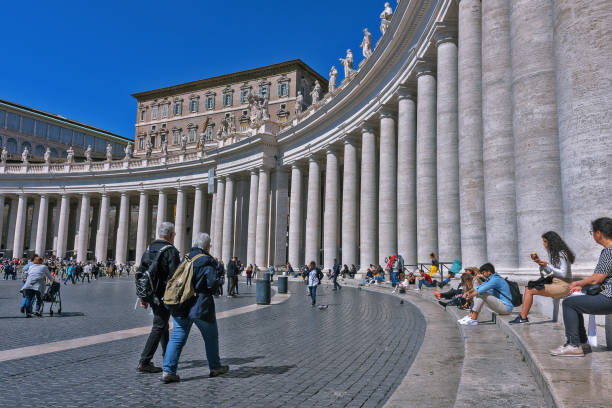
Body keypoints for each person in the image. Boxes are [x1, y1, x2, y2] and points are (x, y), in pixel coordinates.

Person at [161, 232, 229, 383]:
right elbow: (212, 284)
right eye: (209, 246)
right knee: (211, 337)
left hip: (181, 305)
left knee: (177, 338)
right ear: (206, 246)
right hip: (200, 306)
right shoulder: (206, 261)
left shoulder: (186, 258)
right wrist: (219, 280)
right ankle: (215, 367)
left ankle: (168, 371)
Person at [551, 217, 612, 357]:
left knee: (569, 304)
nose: (593, 236)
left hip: (609, 297)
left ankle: (574, 345)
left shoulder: (609, 252)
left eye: (592, 232)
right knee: (576, 299)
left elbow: (597, 279)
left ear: (599, 233)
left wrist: (578, 283)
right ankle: (582, 343)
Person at [137, 222, 181, 373]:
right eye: (174, 235)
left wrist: (143, 297)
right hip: (164, 295)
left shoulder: (149, 248)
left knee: (162, 324)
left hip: (151, 294)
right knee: (159, 325)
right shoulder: (171, 251)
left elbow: (141, 273)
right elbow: (175, 277)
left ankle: (166, 354)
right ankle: (145, 361)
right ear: (170, 235)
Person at [510, 231, 574, 324]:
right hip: (556, 283)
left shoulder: (561, 254)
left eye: (545, 241)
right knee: (529, 288)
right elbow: (547, 274)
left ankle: (522, 317)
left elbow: (563, 274)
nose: (543, 244)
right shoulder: (555, 254)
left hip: (563, 286)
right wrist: (539, 262)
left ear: (551, 242)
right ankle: (522, 317)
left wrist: (548, 265)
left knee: (529, 290)